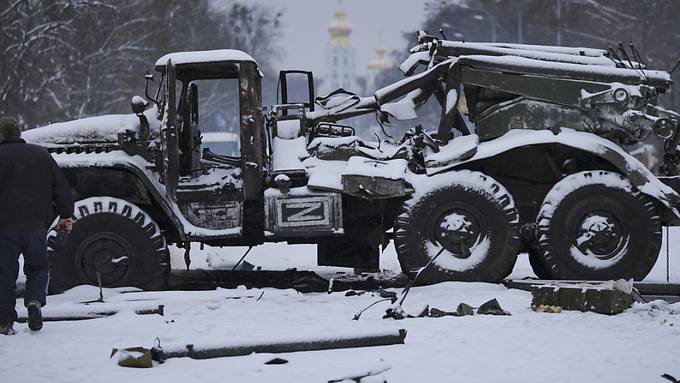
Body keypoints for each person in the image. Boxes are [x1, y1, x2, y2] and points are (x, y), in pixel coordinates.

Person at [0, 116, 74, 335]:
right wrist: (66, 214)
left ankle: (4, 322)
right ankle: (34, 300)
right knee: (38, 267)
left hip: (4, 227)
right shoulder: (40, 154)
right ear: (18, 133)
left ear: (2, 134)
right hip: (36, 225)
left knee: (4, 273)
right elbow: (61, 186)